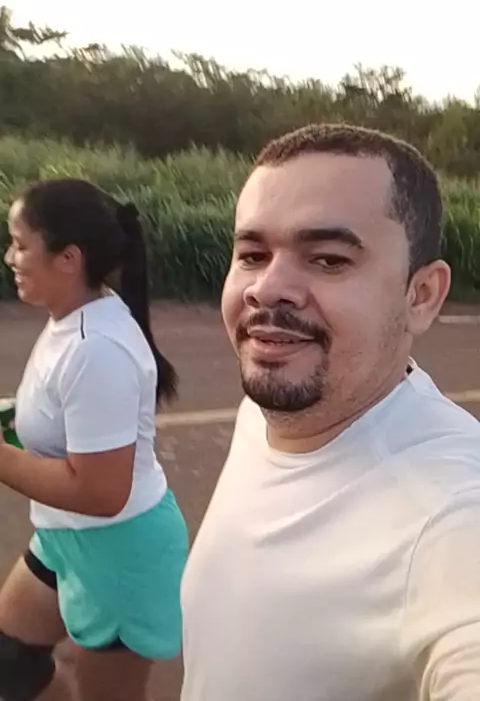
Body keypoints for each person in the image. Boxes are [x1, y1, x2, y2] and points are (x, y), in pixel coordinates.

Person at [180, 123, 480, 701]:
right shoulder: (273, 408)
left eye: (328, 260)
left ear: (421, 295)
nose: (267, 288)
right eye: (252, 255)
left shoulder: (451, 512)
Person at [0, 178, 188, 701]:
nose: (10, 257)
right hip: (66, 538)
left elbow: (101, 492)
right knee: (10, 662)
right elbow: (64, 410)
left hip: (118, 552)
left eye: (20, 244)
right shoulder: (75, 318)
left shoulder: (97, 347)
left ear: (68, 258)